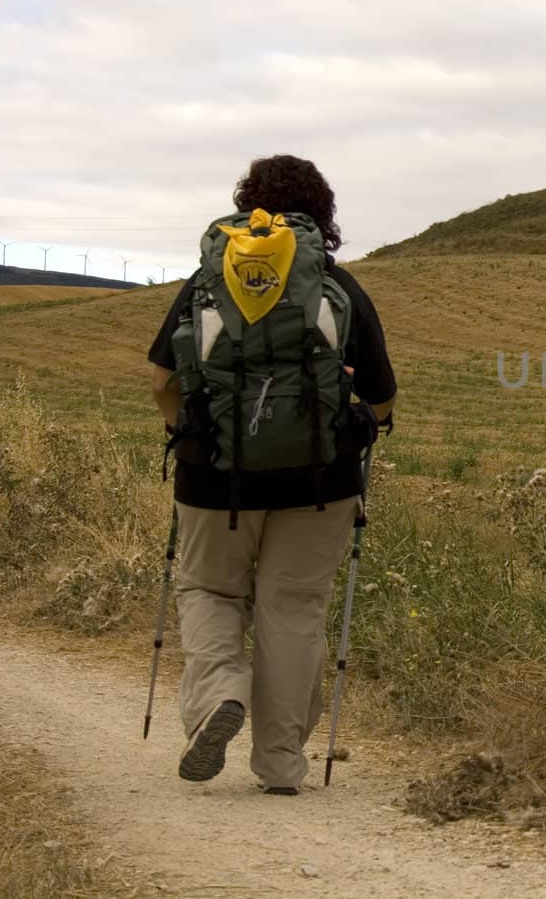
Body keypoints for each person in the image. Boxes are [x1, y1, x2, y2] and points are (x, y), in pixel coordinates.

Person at [147, 155, 396, 795]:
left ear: (246, 205)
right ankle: (282, 762)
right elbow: (384, 399)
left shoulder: (208, 283)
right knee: (294, 609)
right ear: (322, 217)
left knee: (209, 591)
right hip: (319, 483)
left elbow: (161, 380)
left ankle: (219, 696)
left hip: (212, 477)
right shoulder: (337, 288)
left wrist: (190, 432)